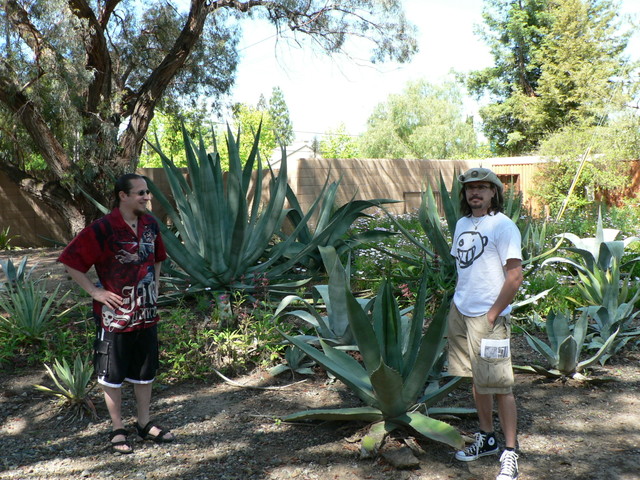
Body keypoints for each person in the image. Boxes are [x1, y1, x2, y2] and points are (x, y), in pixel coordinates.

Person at [58, 173, 174, 454]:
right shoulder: (103, 228)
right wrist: (95, 292)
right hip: (115, 316)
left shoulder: (150, 224)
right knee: (112, 374)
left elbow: (157, 258)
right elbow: (71, 261)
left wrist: (155, 285)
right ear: (123, 196)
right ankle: (117, 428)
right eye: (141, 193)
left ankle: (144, 424)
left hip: (146, 313)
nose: (147, 197)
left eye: (147, 192)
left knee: (145, 372)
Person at [447, 167, 523, 480]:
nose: (475, 193)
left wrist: (492, 314)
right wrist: (458, 304)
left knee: (500, 385)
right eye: (470, 188)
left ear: (494, 191)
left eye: (482, 187)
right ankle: (487, 438)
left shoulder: (503, 226)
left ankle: (509, 451)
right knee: (477, 381)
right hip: (461, 312)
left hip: (488, 316)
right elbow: (464, 266)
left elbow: (515, 276)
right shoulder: (463, 223)